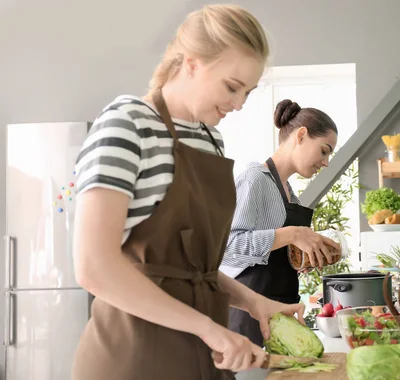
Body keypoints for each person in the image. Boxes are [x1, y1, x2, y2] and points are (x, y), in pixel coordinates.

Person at [71, 5, 305, 380]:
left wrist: (255, 304)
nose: (239, 103)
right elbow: (94, 268)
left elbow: (192, 270)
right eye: (232, 86)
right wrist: (209, 329)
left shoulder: (209, 139)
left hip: (205, 357)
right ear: (191, 63)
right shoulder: (126, 125)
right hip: (134, 358)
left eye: (248, 91)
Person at [220, 99, 341, 346]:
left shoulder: (288, 191)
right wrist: (292, 235)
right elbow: (228, 247)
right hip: (249, 315)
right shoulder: (255, 179)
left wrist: (297, 258)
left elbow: (272, 251)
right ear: (302, 135)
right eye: (324, 150)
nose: (326, 162)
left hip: (281, 312)